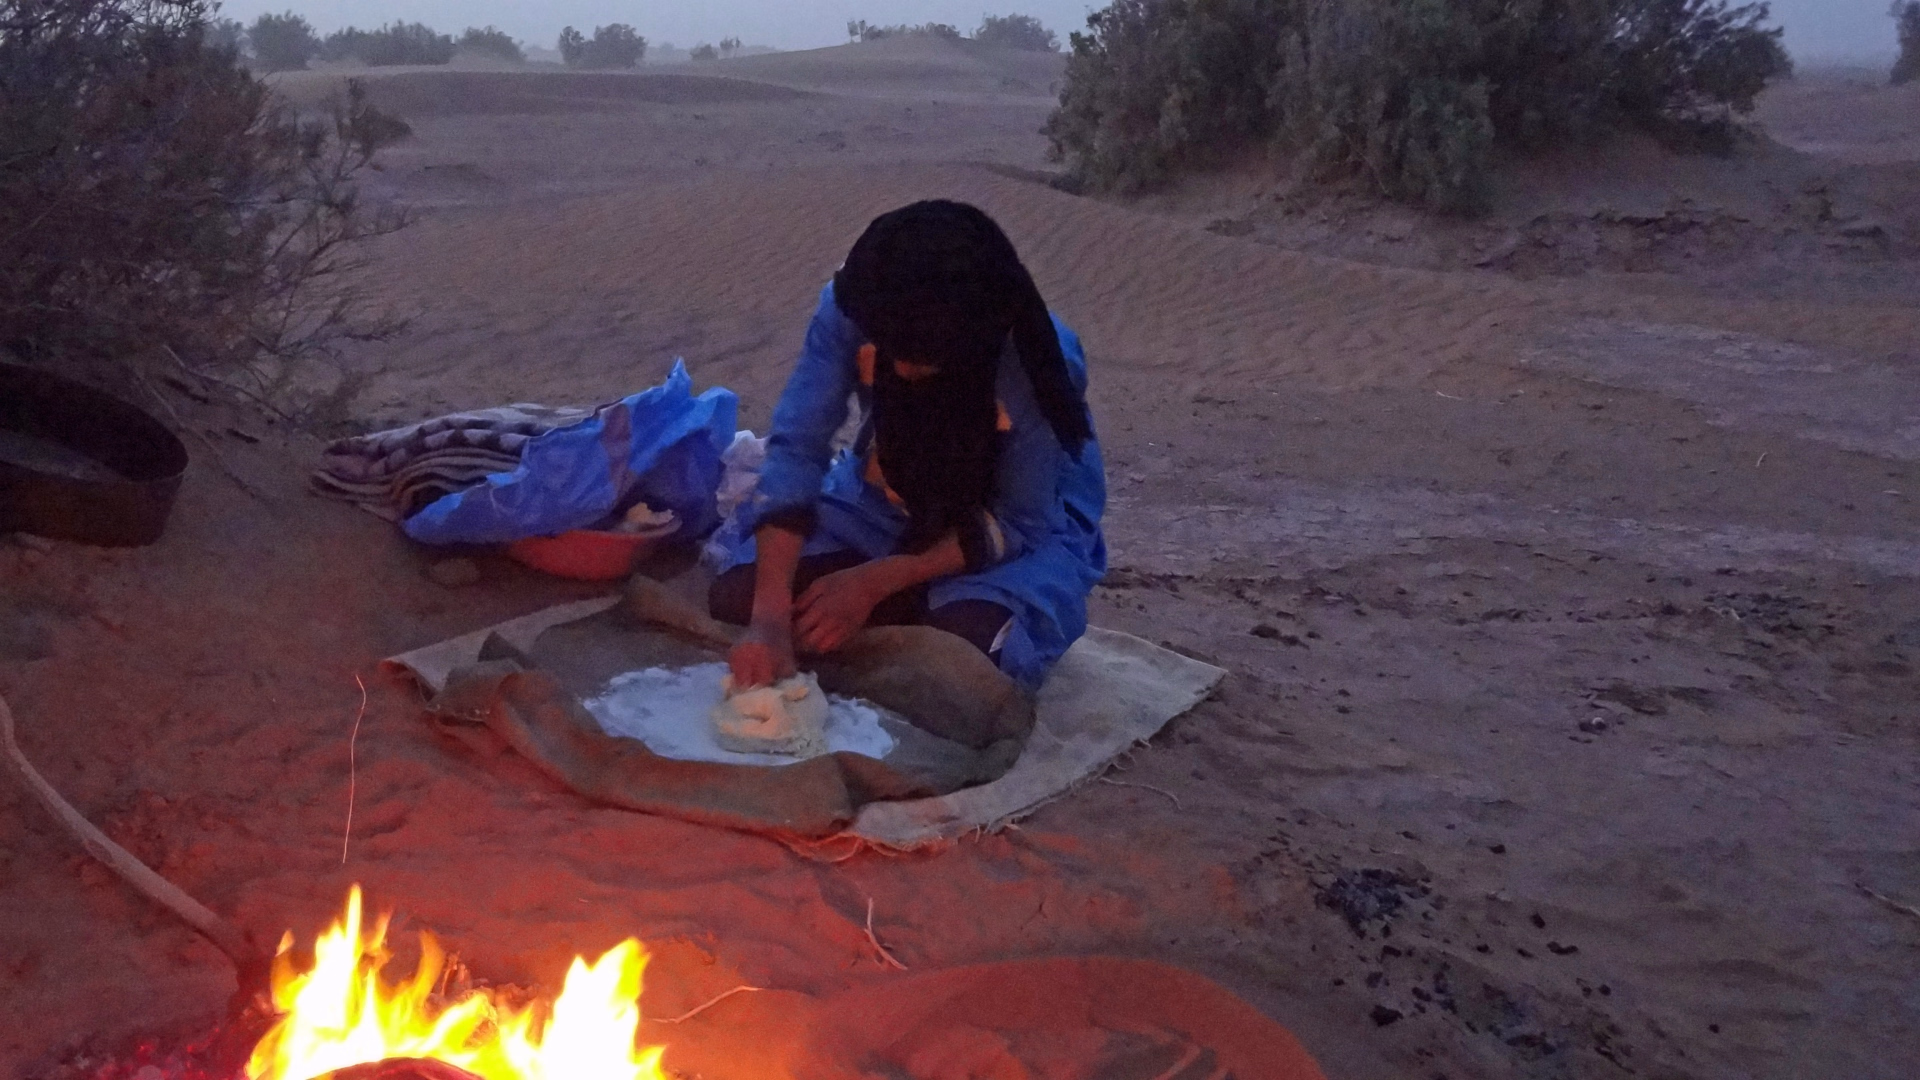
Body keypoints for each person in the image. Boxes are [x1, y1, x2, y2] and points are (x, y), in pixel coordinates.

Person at [708, 200, 1106, 693]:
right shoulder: (858, 305)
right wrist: (767, 620)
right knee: (740, 596)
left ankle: (935, 602)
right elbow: (798, 449)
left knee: (963, 664)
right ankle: (911, 603)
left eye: (920, 360)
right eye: (889, 350)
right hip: (884, 501)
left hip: (1016, 529)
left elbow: (1022, 519)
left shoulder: (1037, 364)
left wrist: (873, 583)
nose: (899, 372)